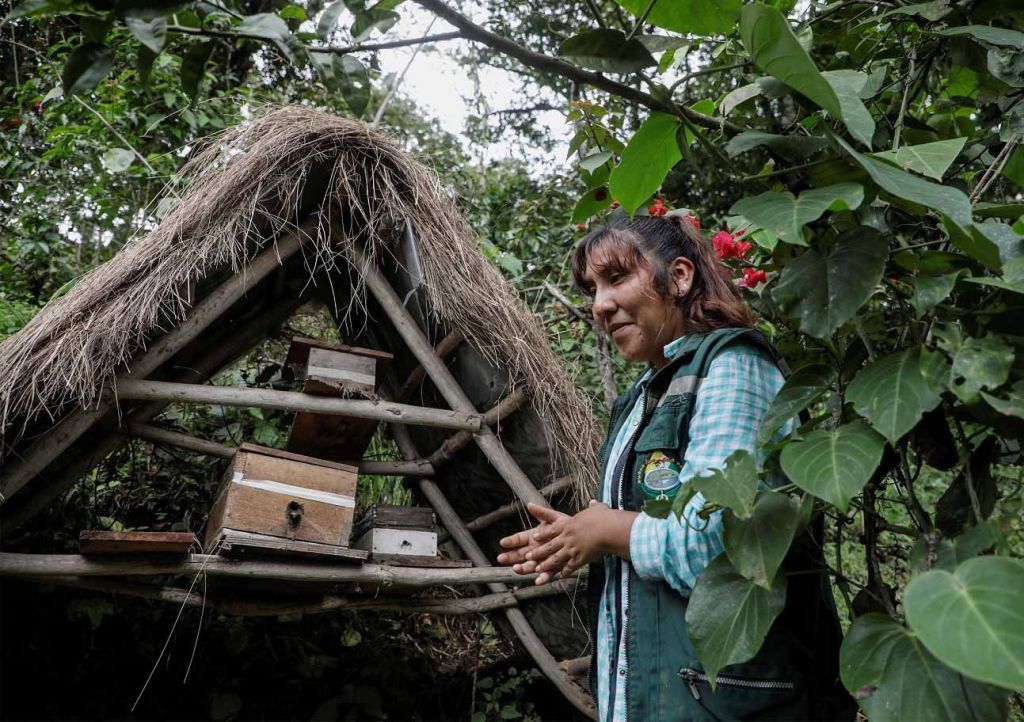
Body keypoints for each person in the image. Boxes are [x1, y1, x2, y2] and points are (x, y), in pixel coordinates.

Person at [497, 215, 854, 721]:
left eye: (617, 278)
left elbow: (717, 543)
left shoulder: (733, 365)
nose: (600, 305)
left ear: (680, 277)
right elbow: (647, 528)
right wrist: (579, 535)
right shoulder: (642, 396)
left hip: (727, 702)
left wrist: (605, 529)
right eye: (593, 289)